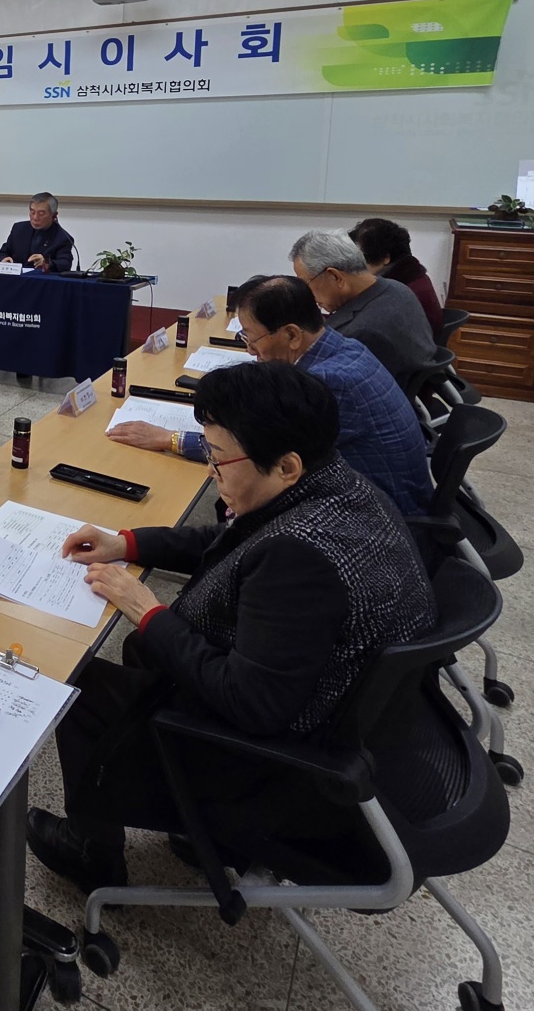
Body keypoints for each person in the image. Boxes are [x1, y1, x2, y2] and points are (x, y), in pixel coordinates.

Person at [27, 362, 435, 894]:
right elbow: (234, 541)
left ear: (285, 465)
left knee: (80, 688)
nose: (211, 470)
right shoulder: (335, 486)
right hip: (346, 725)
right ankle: (194, 835)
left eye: (218, 458)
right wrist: (127, 542)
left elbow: (251, 704)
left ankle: (92, 854)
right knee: (144, 651)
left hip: (283, 774)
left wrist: (148, 610)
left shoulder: (301, 559)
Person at [107, 274, 433, 517]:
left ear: (292, 334)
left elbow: (259, 451)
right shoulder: (344, 348)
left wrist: (169, 438)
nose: (251, 351)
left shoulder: (327, 382)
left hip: (380, 515)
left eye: (252, 338)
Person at [290, 230, 436, 391]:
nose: (307, 294)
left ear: (335, 277)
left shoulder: (361, 333)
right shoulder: (397, 288)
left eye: (306, 283)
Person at [349, 217, 445, 338]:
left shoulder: (397, 290)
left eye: (361, 258)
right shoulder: (412, 273)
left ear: (385, 258)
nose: (357, 265)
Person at [0, 192, 74, 273]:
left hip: (41, 279)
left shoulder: (62, 238)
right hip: (16, 278)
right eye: (32, 212)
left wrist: (46, 262)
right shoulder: (19, 229)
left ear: (54, 215)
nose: (35, 217)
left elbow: (65, 264)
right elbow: (3, 253)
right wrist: (4, 260)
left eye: (41, 214)